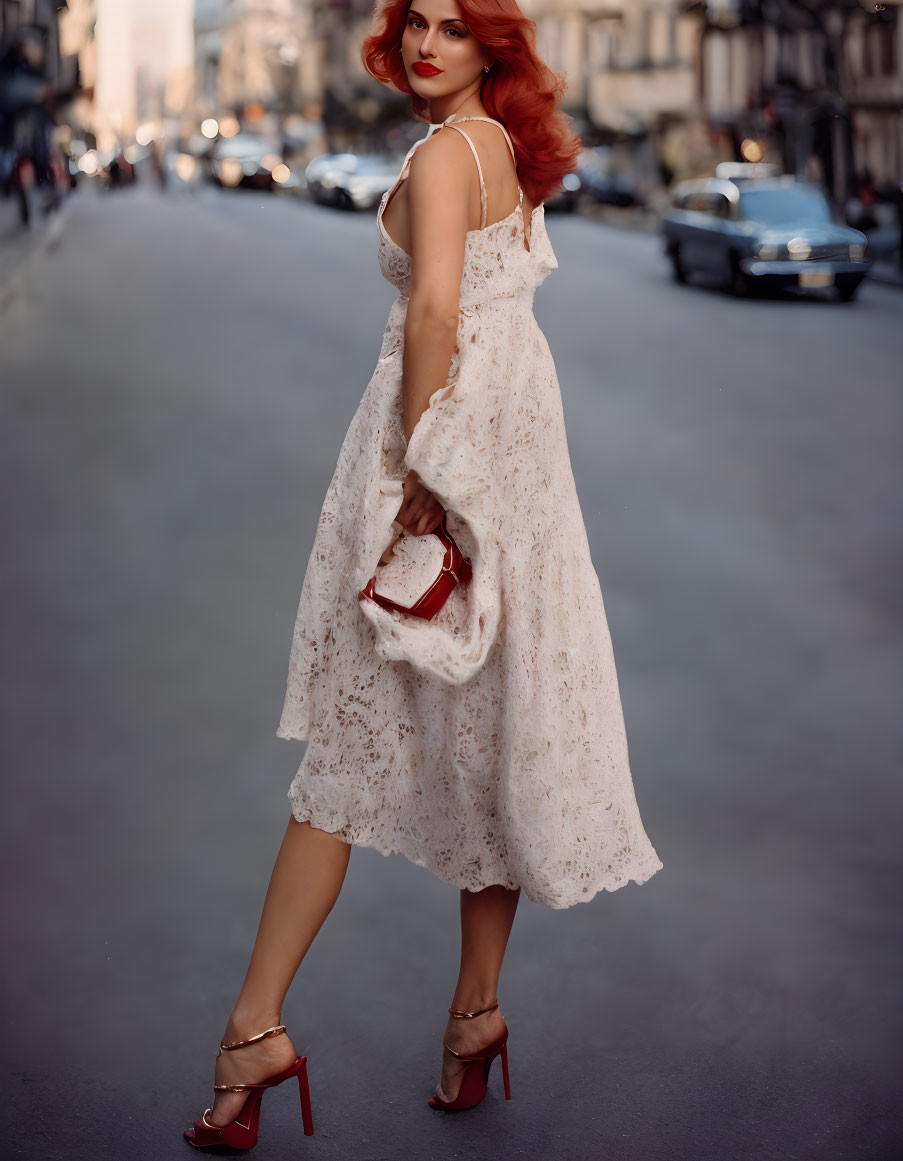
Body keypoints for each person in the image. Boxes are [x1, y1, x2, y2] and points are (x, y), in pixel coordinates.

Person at [184, 0, 663, 1148]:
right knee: (495, 733)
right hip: (518, 463)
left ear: (493, 44)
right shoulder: (496, 146)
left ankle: (256, 1029)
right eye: (415, 23)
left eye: (455, 26)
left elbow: (438, 307)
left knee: (346, 743)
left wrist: (421, 475)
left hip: (451, 453)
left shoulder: (447, 154)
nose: (426, 44)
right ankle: (475, 1017)